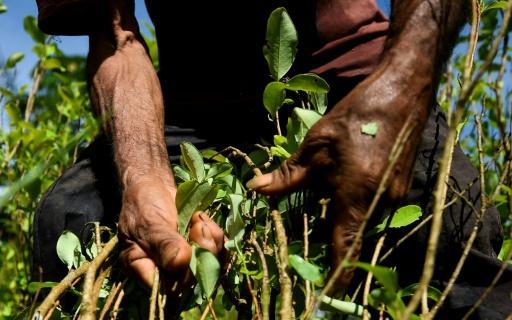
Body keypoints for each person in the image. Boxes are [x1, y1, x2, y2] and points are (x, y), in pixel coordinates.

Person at [33, 0, 511, 317]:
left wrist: (398, 92)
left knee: (447, 227)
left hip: (357, 84)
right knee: (71, 218)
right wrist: (143, 176)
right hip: (184, 107)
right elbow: (115, 37)